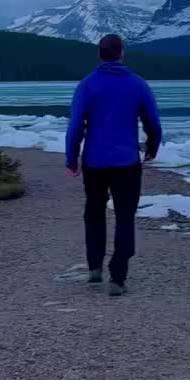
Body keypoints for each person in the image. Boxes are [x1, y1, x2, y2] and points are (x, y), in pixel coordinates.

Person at [65, 33, 163, 296]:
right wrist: (152, 149)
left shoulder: (86, 85)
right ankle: (118, 278)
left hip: (95, 162)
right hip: (127, 163)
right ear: (122, 53)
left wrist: (71, 158)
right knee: (124, 218)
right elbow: (152, 123)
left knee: (94, 213)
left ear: (100, 54)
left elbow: (75, 126)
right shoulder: (138, 84)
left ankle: (94, 267)